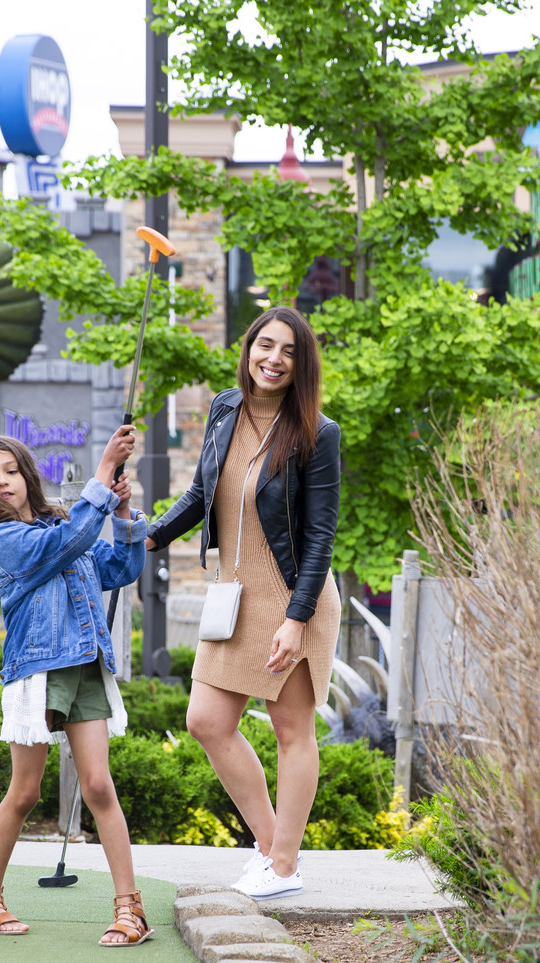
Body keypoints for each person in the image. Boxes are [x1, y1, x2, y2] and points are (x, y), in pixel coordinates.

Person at [146, 307, 342, 902]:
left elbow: (320, 537)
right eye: (265, 345)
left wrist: (296, 620)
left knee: (291, 731)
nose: (274, 359)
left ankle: (282, 866)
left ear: (302, 365)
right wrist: (149, 537)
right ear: (249, 348)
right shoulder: (225, 409)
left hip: (292, 596)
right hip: (234, 596)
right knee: (206, 721)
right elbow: (201, 493)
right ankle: (271, 849)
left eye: (289, 351)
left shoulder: (317, 433)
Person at [0, 429, 152, 944]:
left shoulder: (67, 524)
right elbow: (64, 545)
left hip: (86, 664)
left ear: (27, 473)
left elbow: (121, 566)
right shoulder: (2, 541)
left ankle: (130, 909)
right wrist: (102, 473)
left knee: (99, 786)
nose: (3, 482)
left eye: (10, 470)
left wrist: (121, 512)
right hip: (39, 671)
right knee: (25, 792)